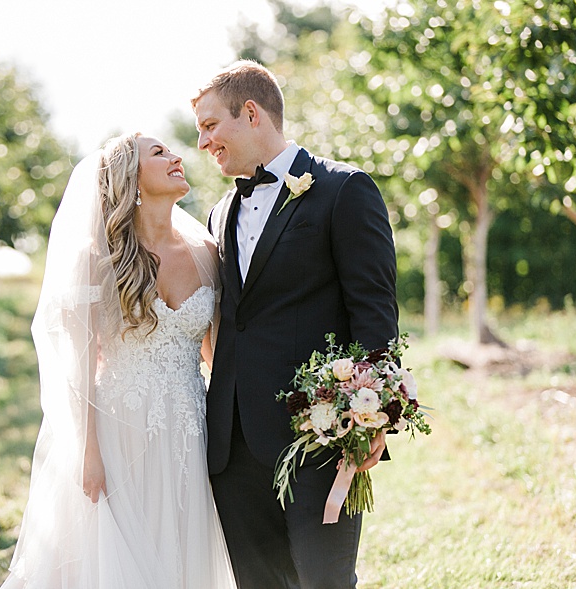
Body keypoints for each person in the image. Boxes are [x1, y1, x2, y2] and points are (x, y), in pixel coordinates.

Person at [194, 60, 399, 589]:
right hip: (232, 448)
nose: (202, 142)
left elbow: (374, 312)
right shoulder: (220, 213)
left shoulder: (343, 190)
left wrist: (371, 417)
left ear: (251, 112)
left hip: (317, 438)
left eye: (210, 125)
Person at [1, 132, 236, 588]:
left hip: (189, 429)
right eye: (159, 153)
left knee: (181, 555)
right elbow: (77, 368)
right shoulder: (98, 262)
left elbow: (215, 355)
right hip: (119, 431)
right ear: (131, 177)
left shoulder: (207, 254)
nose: (176, 157)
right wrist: (88, 453)